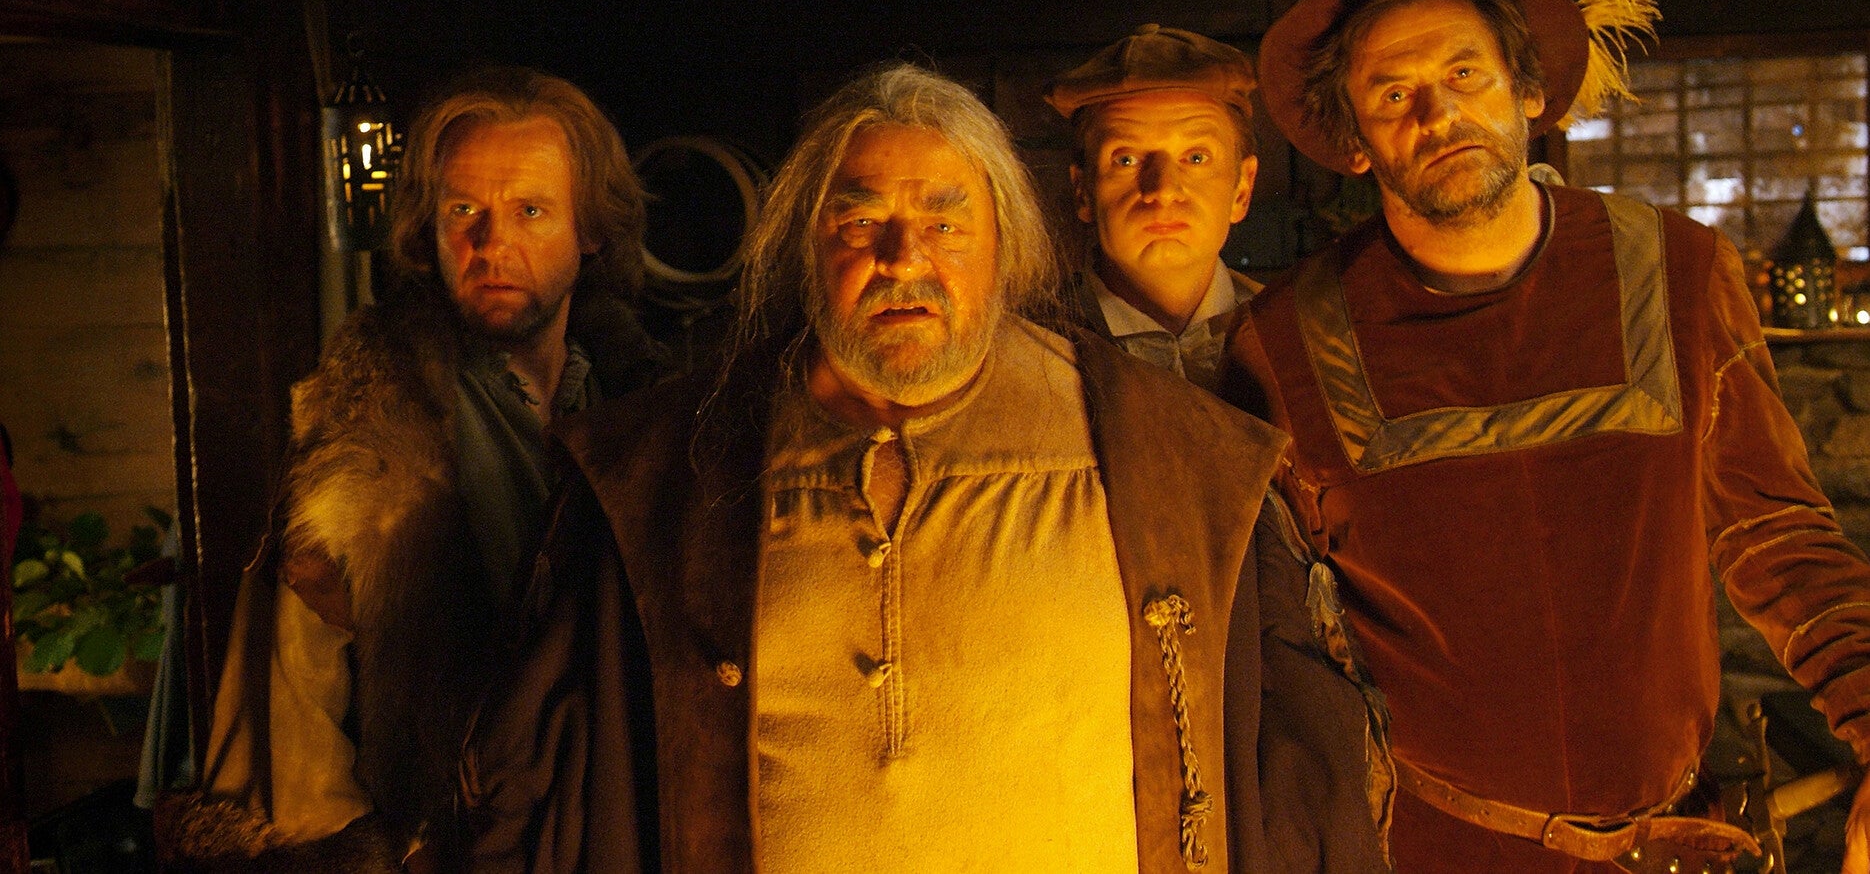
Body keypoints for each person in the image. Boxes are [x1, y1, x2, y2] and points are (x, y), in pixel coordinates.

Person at [462, 63, 1389, 872]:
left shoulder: (1181, 464)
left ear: (1005, 243)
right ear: (805, 244)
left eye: (946, 224)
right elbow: (539, 795)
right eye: (861, 221)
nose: (903, 260)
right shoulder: (665, 475)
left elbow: (1306, 792)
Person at [1232, 0, 1870, 873]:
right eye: (1393, 93)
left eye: (1465, 75)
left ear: (1527, 91)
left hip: (1674, 844)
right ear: (1353, 137)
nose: (1438, 115)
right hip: (1422, 850)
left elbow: (1778, 536)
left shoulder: (1677, 273)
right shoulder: (1285, 341)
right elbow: (1274, 639)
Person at [168, 67, 664, 870]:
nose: (490, 245)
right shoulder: (369, 426)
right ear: (428, 226)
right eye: (464, 211)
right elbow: (292, 725)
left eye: (530, 211)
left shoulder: (648, 410)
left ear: (592, 230)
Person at [1046, 24, 1261, 394]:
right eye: (1126, 160)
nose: (1162, 190)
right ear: (1083, 191)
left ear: (1242, 189)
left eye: (1196, 158)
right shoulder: (1028, 353)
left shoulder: (1301, 339)